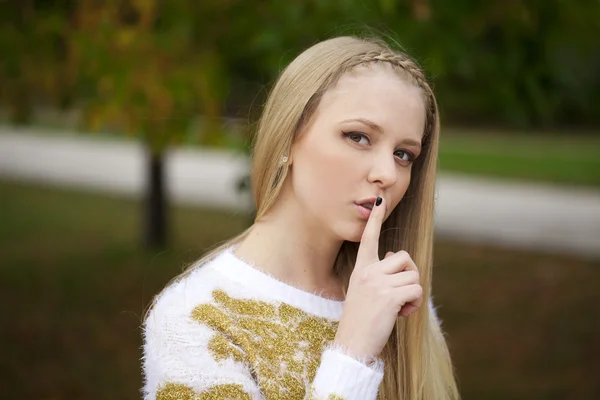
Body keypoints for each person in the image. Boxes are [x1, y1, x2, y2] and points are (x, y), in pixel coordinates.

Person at [142, 35, 459, 400]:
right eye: (358, 136)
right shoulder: (195, 317)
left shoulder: (391, 292)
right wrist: (353, 353)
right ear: (289, 136)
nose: (388, 173)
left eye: (404, 154)